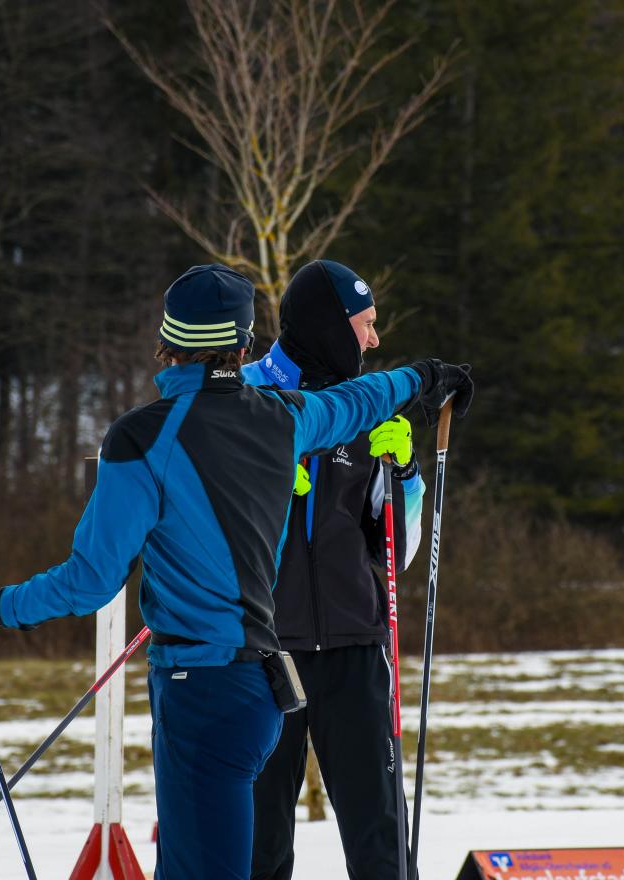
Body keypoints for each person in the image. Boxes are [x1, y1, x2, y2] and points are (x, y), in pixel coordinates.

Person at [0, 263, 473, 880]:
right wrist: (425, 377)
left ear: (168, 343)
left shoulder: (141, 438)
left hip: (200, 691)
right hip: (264, 689)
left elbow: (89, 583)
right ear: (245, 342)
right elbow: (355, 399)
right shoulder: (283, 418)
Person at [242, 260, 424, 880]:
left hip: (354, 643)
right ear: (330, 325)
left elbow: (396, 555)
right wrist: (266, 489)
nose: (374, 340)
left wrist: (404, 477)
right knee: (258, 841)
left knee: (381, 839)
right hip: (263, 649)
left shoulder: (368, 408)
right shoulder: (242, 398)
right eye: (365, 325)